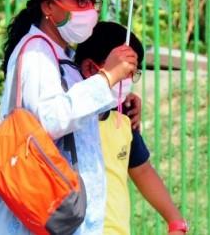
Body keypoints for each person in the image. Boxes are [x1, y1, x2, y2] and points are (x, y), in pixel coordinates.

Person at [0, 0, 139, 234]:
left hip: (68, 211)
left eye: (93, 2)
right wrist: (106, 78)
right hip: (45, 208)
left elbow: (77, 106)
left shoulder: (59, 53)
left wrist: (118, 98)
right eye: (80, 1)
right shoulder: (36, 54)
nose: (90, 11)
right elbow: (52, 119)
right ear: (48, 6)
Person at [75, 22, 189, 235]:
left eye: (133, 74)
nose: (128, 82)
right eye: (124, 72)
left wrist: (175, 221)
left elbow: (142, 169)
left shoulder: (123, 117)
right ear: (91, 68)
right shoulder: (67, 120)